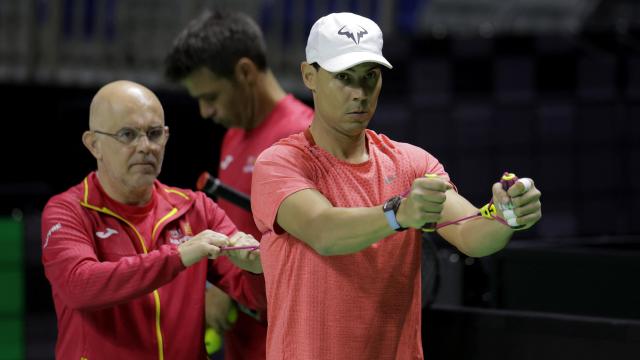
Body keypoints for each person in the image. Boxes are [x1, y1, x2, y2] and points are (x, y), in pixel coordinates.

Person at [251, 12, 543, 360]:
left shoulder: (412, 164)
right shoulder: (279, 164)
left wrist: (505, 217)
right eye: (344, 77)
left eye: (369, 77)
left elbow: (470, 235)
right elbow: (323, 232)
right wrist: (399, 214)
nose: (359, 93)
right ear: (309, 76)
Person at [40, 80, 265, 360]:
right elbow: (79, 286)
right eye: (127, 134)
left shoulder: (196, 209)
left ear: (166, 137)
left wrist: (256, 270)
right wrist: (178, 256)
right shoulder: (67, 211)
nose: (145, 146)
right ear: (94, 144)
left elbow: (256, 298)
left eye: (154, 133)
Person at [164, 9, 313, 359]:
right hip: (242, 343)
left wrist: (229, 290)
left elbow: (316, 257)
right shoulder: (232, 136)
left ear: (245, 72)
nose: (205, 112)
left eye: (211, 97)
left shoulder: (304, 138)